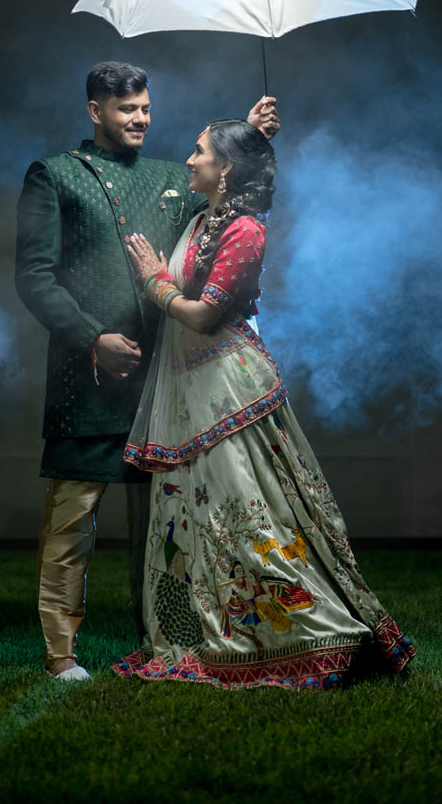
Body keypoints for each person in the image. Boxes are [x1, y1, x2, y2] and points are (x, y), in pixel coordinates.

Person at [116, 119, 416, 689]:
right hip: (189, 396)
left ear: (225, 168)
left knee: (247, 515)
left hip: (231, 391)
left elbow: (204, 316)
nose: (188, 158)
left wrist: (155, 282)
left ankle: (306, 636)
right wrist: (252, 127)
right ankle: (199, 635)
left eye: (199, 151)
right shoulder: (203, 219)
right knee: (191, 516)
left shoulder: (246, 231)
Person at [15, 62, 279, 680]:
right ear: (95, 111)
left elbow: (226, 186)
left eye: (145, 108)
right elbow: (33, 276)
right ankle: (61, 655)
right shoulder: (55, 175)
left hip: (165, 383)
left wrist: (255, 131)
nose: (139, 119)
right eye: (125, 108)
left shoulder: (171, 176)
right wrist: (91, 338)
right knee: (72, 518)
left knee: (165, 525)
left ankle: (162, 644)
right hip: (89, 380)